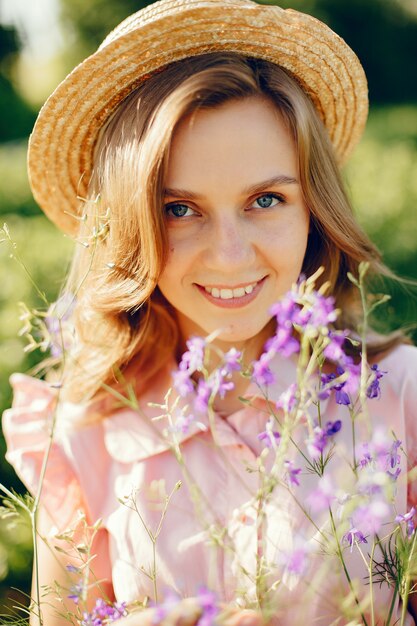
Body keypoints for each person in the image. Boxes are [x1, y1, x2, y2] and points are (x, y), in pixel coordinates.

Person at [2, 0, 417, 624]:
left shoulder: (399, 402)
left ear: (314, 211)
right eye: (178, 209)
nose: (228, 254)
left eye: (266, 199)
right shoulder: (84, 429)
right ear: (129, 225)